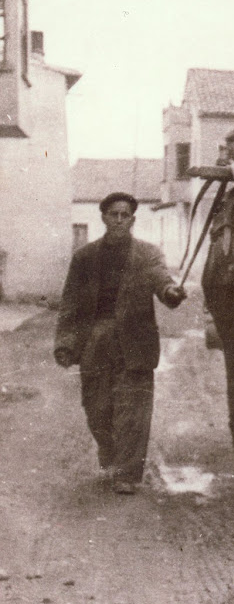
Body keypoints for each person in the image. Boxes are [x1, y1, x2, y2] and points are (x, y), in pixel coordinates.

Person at [54, 192, 186, 494]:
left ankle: (127, 472)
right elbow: (70, 302)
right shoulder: (84, 258)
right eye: (113, 214)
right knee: (97, 409)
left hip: (135, 340)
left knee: (134, 409)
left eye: (124, 215)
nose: (118, 220)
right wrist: (65, 342)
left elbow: (160, 279)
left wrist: (170, 292)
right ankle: (110, 453)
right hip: (95, 339)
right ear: (103, 218)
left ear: (132, 220)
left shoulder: (147, 254)